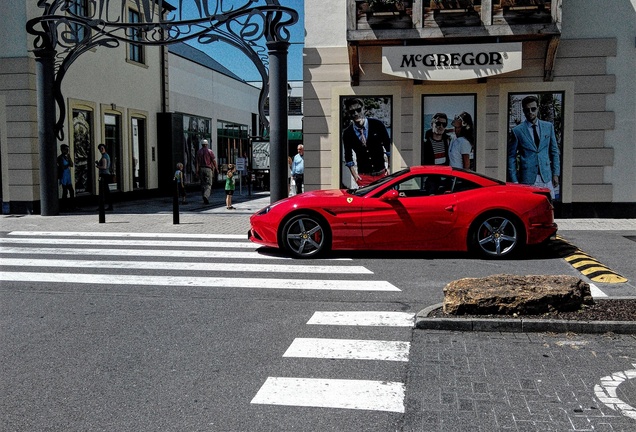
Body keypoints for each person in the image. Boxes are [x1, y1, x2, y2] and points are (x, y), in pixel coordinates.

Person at [507, 95, 561, 198]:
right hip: (527, 178)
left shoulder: (548, 127)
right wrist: (514, 180)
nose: (530, 112)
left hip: (546, 176)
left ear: (538, 108)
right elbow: (511, 157)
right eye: (527, 110)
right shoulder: (517, 131)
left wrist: (555, 174)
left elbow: (554, 151)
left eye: (533, 109)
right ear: (523, 111)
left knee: (548, 206)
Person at [342, 97, 391, 187]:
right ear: (349, 113)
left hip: (382, 175)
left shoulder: (377, 125)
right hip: (364, 178)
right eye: (352, 111)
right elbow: (348, 157)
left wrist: (389, 168)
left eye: (358, 110)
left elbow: (389, 148)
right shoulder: (347, 133)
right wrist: (355, 176)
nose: (356, 113)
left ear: (363, 109)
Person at [195, 139, 218, 204]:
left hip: (201, 168)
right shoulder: (209, 151)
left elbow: (197, 163)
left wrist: (197, 171)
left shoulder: (199, 152)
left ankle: (203, 197)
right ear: (207, 144)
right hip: (208, 169)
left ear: (202, 144)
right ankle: (206, 195)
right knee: (208, 183)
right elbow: (213, 161)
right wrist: (216, 168)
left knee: (202, 184)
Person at [56, 144, 75, 210]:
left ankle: (72, 205)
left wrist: (69, 158)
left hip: (68, 175)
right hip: (63, 175)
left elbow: (72, 164)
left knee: (71, 190)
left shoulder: (67, 157)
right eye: (66, 149)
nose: (67, 151)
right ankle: (64, 206)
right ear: (62, 150)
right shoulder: (60, 158)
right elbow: (62, 167)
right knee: (65, 191)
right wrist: (68, 164)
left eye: (68, 149)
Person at [95, 143, 113, 210]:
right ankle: (109, 205)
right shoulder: (106, 156)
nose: (101, 150)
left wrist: (98, 166)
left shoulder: (104, 156)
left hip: (104, 175)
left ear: (105, 148)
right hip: (106, 174)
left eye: (102, 148)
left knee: (104, 191)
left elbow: (104, 167)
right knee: (105, 191)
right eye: (100, 148)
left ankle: (105, 205)